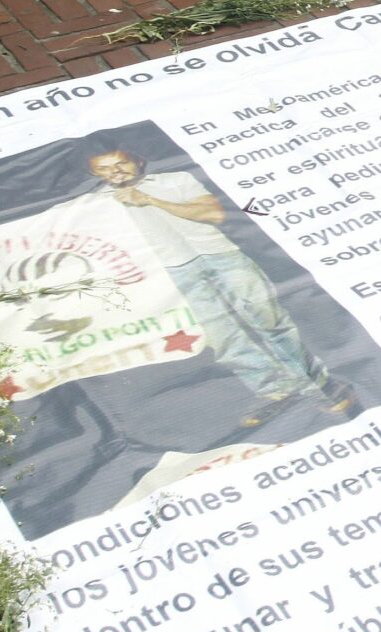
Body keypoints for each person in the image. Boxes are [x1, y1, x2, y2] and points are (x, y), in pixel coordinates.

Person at [86, 148, 349, 426]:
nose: (115, 171)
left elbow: (214, 214)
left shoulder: (176, 180)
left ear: (138, 160)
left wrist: (148, 199)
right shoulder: (93, 205)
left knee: (268, 319)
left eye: (121, 163)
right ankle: (275, 392)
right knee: (221, 335)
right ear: (94, 174)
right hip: (171, 271)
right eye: (104, 168)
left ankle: (318, 385)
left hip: (221, 255)